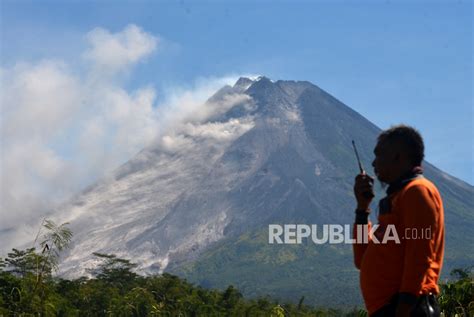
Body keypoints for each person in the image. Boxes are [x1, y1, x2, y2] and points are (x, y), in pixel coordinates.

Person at [353, 125, 444, 317]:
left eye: (379, 154)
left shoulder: (417, 191)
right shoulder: (398, 197)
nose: (373, 162)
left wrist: (403, 309)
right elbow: (361, 258)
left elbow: (419, 255)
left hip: (407, 308)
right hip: (390, 308)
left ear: (397, 156)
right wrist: (362, 209)